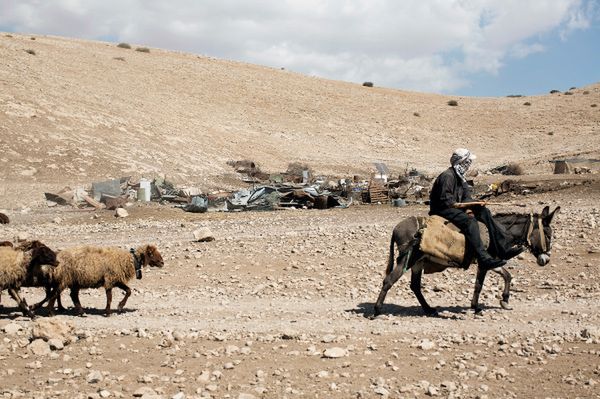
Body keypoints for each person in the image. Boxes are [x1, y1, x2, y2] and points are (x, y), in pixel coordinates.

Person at [429, 148, 523, 270]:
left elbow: (466, 197)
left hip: (455, 207)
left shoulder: (461, 177)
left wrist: (475, 204)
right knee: (470, 221)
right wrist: (464, 207)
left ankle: (502, 249)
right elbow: (446, 200)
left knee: (485, 212)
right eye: (467, 162)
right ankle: (483, 257)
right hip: (442, 210)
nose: (469, 165)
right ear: (461, 162)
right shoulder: (447, 176)